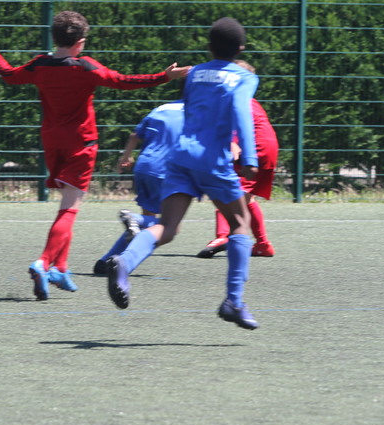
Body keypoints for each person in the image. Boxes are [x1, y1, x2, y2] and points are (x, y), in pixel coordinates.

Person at [0, 11, 189, 301]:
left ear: (54, 37)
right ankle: (44, 263)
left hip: (52, 142)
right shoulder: (85, 67)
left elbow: (9, 75)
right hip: (81, 144)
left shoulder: (40, 64)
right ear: (80, 42)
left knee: (68, 203)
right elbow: (123, 80)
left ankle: (61, 268)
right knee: (69, 209)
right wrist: (164, 77)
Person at [104, 17, 260, 329]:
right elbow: (241, 110)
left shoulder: (195, 73)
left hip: (180, 158)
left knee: (167, 226)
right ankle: (233, 301)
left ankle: (125, 262)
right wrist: (250, 155)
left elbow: (189, 110)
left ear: (209, 46)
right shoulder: (244, 77)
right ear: (241, 48)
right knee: (240, 224)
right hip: (212, 160)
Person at [197, 60, 280, 259]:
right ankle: (262, 245)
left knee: (226, 190)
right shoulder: (250, 99)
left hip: (255, 147)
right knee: (246, 197)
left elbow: (238, 123)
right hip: (269, 146)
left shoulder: (234, 98)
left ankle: (222, 236)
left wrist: (233, 143)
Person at [92, 99, 184, 275]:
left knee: (145, 223)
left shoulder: (161, 108)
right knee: (171, 226)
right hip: (167, 170)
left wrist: (126, 157)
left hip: (144, 167)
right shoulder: (197, 113)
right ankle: (134, 223)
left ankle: (107, 260)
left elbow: (135, 135)